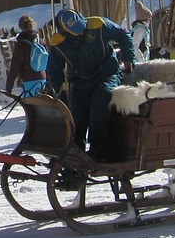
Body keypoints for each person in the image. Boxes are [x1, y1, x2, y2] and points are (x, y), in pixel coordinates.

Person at [47, 9, 135, 164]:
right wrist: (60, 96)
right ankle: (75, 153)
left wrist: (129, 57)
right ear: (64, 32)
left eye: (82, 29)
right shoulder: (57, 43)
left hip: (108, 74)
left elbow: (123, 35)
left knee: (101, 101)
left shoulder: (98, 24)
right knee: (76, 116)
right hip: (81, 82)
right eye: (76, 33)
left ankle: (98, 151)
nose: (81, 33)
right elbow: (55, 73)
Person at [5, 15, 48, 98]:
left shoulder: (21, 45)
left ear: (20, 27)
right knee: (41, 106)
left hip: (29, 80)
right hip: (43, 79)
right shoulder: (41, 42)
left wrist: (8, 88)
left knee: (31, 107)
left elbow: (15, 67)